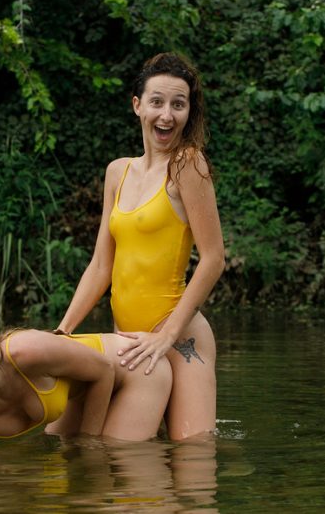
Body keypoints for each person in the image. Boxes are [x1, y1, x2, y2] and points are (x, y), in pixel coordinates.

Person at [56, 52, 225, 440]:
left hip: (180, 338)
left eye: (178, 105)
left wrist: (167, 335)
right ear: (137, 106)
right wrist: (63, 331)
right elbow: (102, 265)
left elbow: (213, 259)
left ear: (188, 112)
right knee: (118, 450)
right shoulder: (118, 171)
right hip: (128, 339)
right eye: (157, 102)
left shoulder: (187, 164)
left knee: (193, 455)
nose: (167, 115)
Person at [0, 305, 172, 450]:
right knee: (58, 462)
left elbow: (104, 370)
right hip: (83, 391)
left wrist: (90, 448)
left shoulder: (22, 351)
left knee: (112, 462)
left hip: (134, 367)